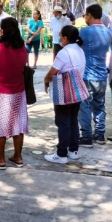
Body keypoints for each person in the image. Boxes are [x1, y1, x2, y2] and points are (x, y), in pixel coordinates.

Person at [0, 17, 29, 169]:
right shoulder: (22, 48)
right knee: (18, 125)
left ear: (3, 31)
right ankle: (18, 156)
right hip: (18, 91)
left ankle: (0, 159)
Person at [43, 25, 85, 164]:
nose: (59, 38)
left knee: (63, 122)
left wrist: (46, 81)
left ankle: (61, 154)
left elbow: (52, 72)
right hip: (77, 90)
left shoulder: (63, 52)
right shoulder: (79, 49)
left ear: (65, 38)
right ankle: (73, 150)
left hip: (65, 91)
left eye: (61, 35)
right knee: (73, 121)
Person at [78, 4, 112, 146]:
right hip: (102, 75)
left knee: (84, 105)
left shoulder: (85, 32)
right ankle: (100, 134)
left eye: (85, 15)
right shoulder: (108, 32)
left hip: (87, 75)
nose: (85, 18)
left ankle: (86, 136)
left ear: (90, 15)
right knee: (99, 105)